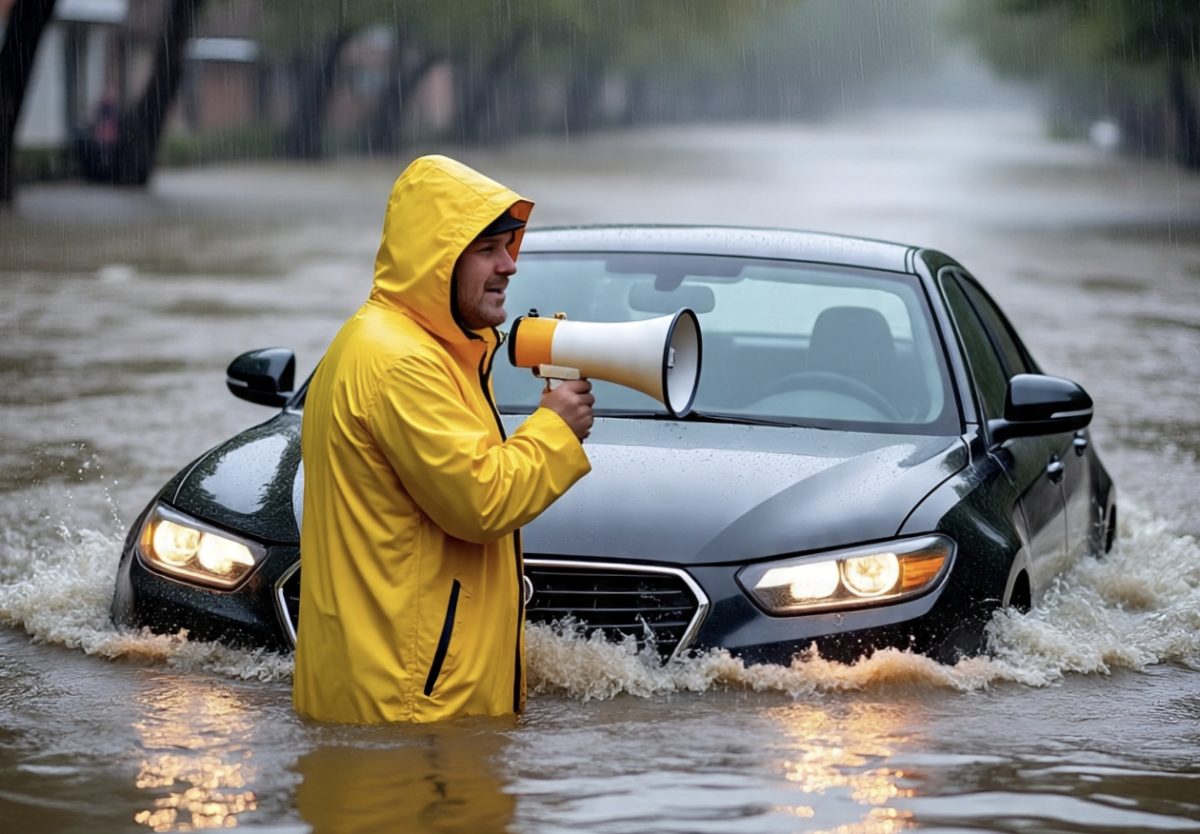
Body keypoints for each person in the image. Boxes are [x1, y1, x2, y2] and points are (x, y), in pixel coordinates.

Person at [293, 155, 594, 724]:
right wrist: (556, 428)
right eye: (487, 250)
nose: (509, 265)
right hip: (411, 708)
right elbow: (481, 502)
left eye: (509, 246)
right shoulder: (403, 362)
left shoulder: (398, 342)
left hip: (390, 695)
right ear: (437, 259)